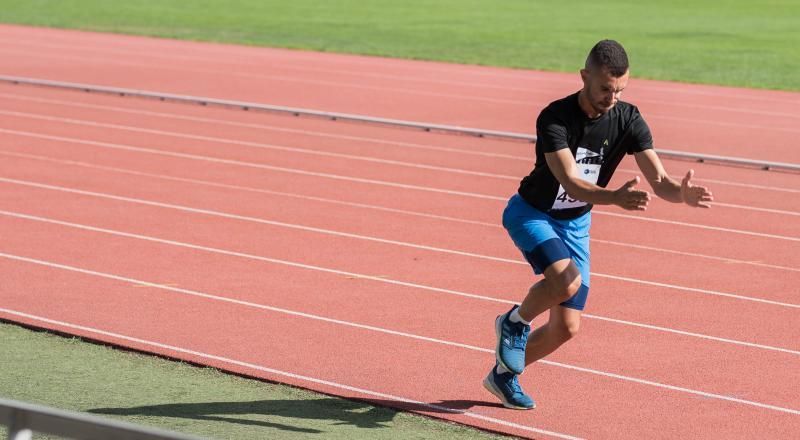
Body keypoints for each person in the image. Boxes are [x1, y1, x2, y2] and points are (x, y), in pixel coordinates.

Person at [482, 39, 714, 410]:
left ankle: (503, 376)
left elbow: (659, 180)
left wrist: (679, 193)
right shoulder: (555, 118)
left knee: (566, 328)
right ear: (584, 76)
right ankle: (514, 322)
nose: (612, 97)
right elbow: (571, 182)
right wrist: (616, 199)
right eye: (605, 88)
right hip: (532, 213)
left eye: (620, 90)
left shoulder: (629, 118)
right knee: (565, 280)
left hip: (575, 224)